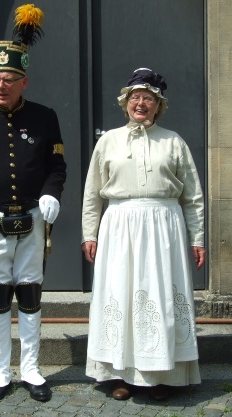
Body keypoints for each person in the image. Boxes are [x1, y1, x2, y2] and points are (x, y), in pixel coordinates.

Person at [0, 4, 66, 403]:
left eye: (9, 79)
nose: (0, 85)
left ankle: (32, 368)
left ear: (24, 81)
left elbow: (57, 164)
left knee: (31, 294)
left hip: (33, 219)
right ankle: (0, 372)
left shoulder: (45, 117)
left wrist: (54, 192)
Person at [81, 68, 205, 401]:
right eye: (135, 97)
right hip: (120, 225)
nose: (141, 103)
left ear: (158, 105)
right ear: (125, 103)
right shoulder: (108, 141)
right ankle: (122, 375)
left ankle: (162, 374)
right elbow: (93, 192)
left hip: (164, 226)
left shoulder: (173, 141)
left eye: (148, 98)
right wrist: (88, 233)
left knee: (161, 296)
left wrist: (197, 238)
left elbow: (192, 196)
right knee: (121, 294)